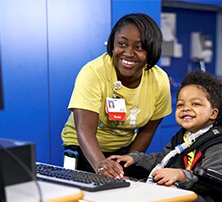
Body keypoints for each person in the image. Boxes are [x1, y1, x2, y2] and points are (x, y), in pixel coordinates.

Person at [61, 13, 172, 179]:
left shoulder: (159, 80)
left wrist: (128, 161)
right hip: (82, 147)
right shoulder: (93, 72)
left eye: (139, 47)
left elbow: (147, 131)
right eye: (122, 44)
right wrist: (100, 163)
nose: (128, 53)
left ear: (151, 50)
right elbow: (84, 129)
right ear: (112, 44)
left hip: (122, 150)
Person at [109, 70, 222, 190]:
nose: (186, 108)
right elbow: (163, 159)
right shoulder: (181, 137)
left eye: (195, 104)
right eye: (180, 104)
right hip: (178, 188)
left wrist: (181, 175)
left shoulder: (217, 144)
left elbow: (210, 179)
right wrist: (135, 158)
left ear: (213, 114)